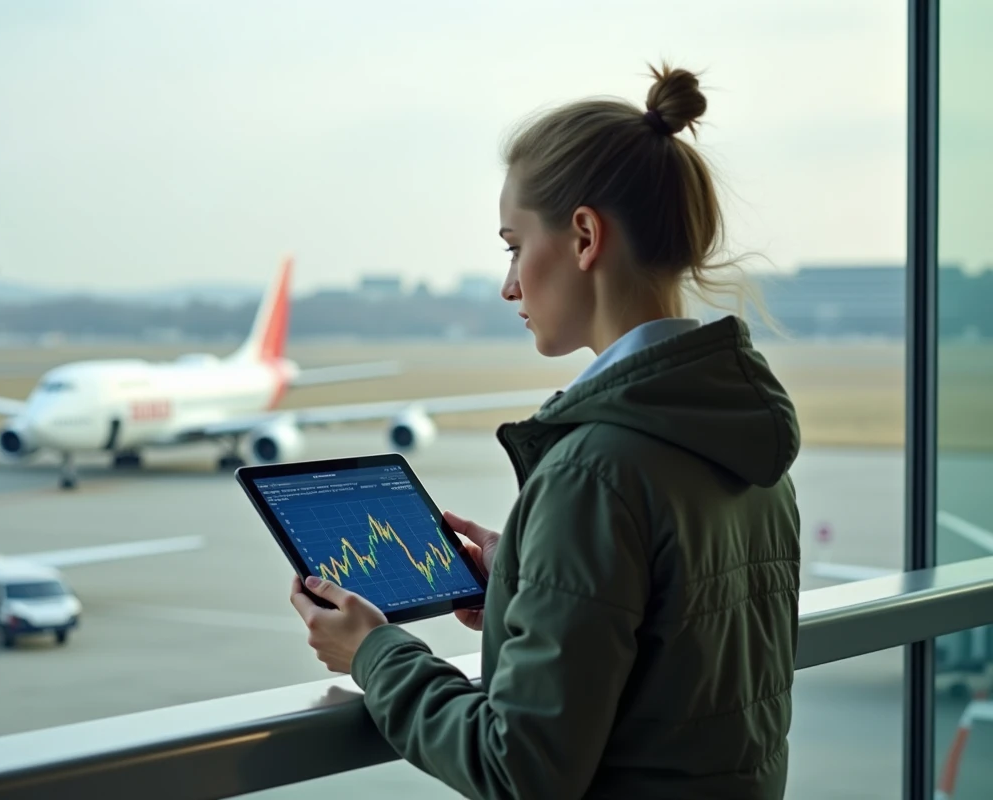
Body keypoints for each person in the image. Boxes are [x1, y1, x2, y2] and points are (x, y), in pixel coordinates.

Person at [290, 62, 801, 800]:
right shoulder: (745, 436)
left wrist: (374, 652)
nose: (508, 285)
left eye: (511, 245)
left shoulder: (594, 473)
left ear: (586, 235)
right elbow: (677, 663)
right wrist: (529, 580)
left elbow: (518, 769)